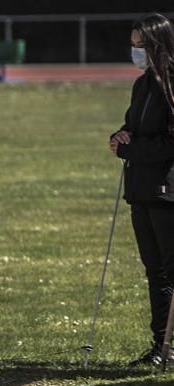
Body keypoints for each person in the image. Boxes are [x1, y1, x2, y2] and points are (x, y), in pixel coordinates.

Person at [109, 13, 174, 365]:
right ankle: (161, 347)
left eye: (141, 46)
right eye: (133, 46)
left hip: (167, 190)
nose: (135, 52)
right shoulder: (144, 83)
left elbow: (170, 142)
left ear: (157, 45)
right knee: (156, 272)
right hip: (140, 189)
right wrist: (119, 136)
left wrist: (132, 148)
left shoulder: (171, 83)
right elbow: (133, 126)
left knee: (170, 269)